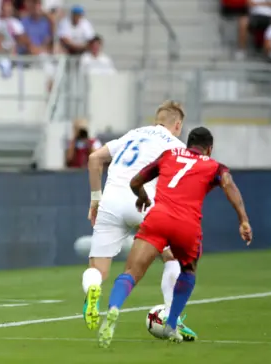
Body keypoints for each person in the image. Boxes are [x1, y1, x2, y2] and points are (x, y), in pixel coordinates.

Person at [97, 126, 252, 348]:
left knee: (131, 272)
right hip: (187, 226)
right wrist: (243, 219)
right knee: (188, 270)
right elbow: (228, 185)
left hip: (157, 218)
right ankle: (171, 324)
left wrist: (142, 197)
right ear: (209, 148)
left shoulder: (169, 154)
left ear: (188, 143)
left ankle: (113, 309)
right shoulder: (215, 166)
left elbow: (135, 182)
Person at [82, 101, 197, 341]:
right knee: (174, 257)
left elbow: (94, 159)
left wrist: (95, 201)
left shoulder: (131, 135)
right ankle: (171, 318)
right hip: (144, 202)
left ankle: (93, 290)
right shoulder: (176, 146)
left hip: (110, 202)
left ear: (157, 119)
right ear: (177, 125)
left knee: (97, 270)